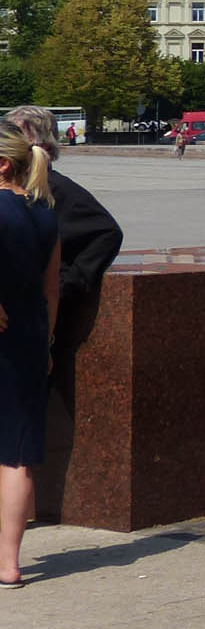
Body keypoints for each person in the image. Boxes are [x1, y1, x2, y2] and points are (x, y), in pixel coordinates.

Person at [2, 106, 123, 434]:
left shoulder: (56, 189)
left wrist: (71, 279)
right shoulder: (21, 190)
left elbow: (106, 233)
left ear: (29, 138)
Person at [0, 120, 59, 588]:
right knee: (18, 455)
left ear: (3, 164)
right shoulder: (45, 211)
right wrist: (48, 342)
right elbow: (50, 288)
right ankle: (9, 565)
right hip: (31, 337)